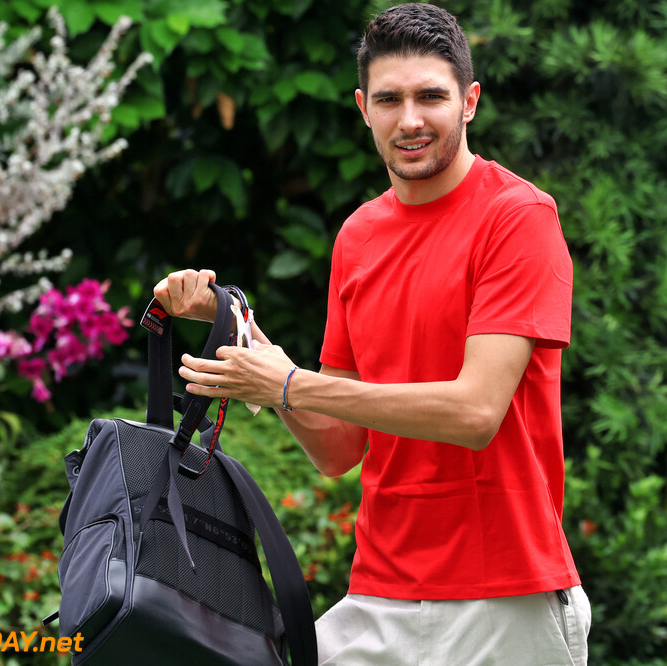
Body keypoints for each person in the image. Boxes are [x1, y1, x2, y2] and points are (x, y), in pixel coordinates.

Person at [153, 3, 589, 663]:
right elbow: (338, 450)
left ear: (469, 101)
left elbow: (476, 411)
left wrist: (292, 384)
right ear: (363, 107)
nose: (409, 119)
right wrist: (236, 329)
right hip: (381, 592)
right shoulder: (359, 236)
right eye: (389, 99)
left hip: (504, 596)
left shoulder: (516, 217)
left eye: (430, 97)